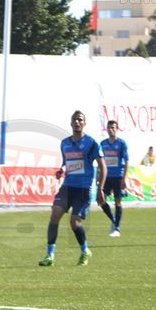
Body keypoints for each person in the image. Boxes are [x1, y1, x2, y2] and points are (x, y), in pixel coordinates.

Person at [39, 110, 106, 266]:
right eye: (75, 119)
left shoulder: (91, 143)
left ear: (84, 123)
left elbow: (103, 166)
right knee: (55, 215)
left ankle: (84, 251)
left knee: (74, 222)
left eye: (80, 119)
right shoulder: (65, 143)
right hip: (67, 187)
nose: (77, 122)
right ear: (70, 123)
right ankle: (49, 256)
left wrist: (101, 189)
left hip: (83, 188)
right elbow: (66, 162)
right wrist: (61, 170)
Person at [99, 120, 129, 237]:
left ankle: (117, 228)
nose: (111, 129)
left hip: (118, 177)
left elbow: (127, 162)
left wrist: (124, 179)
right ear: (106, 129)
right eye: (109, 127)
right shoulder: (102, 144)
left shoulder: (122, 143)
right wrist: (99, 176)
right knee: (101, 200)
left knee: (118, 202)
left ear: (117, 129)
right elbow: (100, 161)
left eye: (113, 127)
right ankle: (114, 220)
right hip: (106, 177)